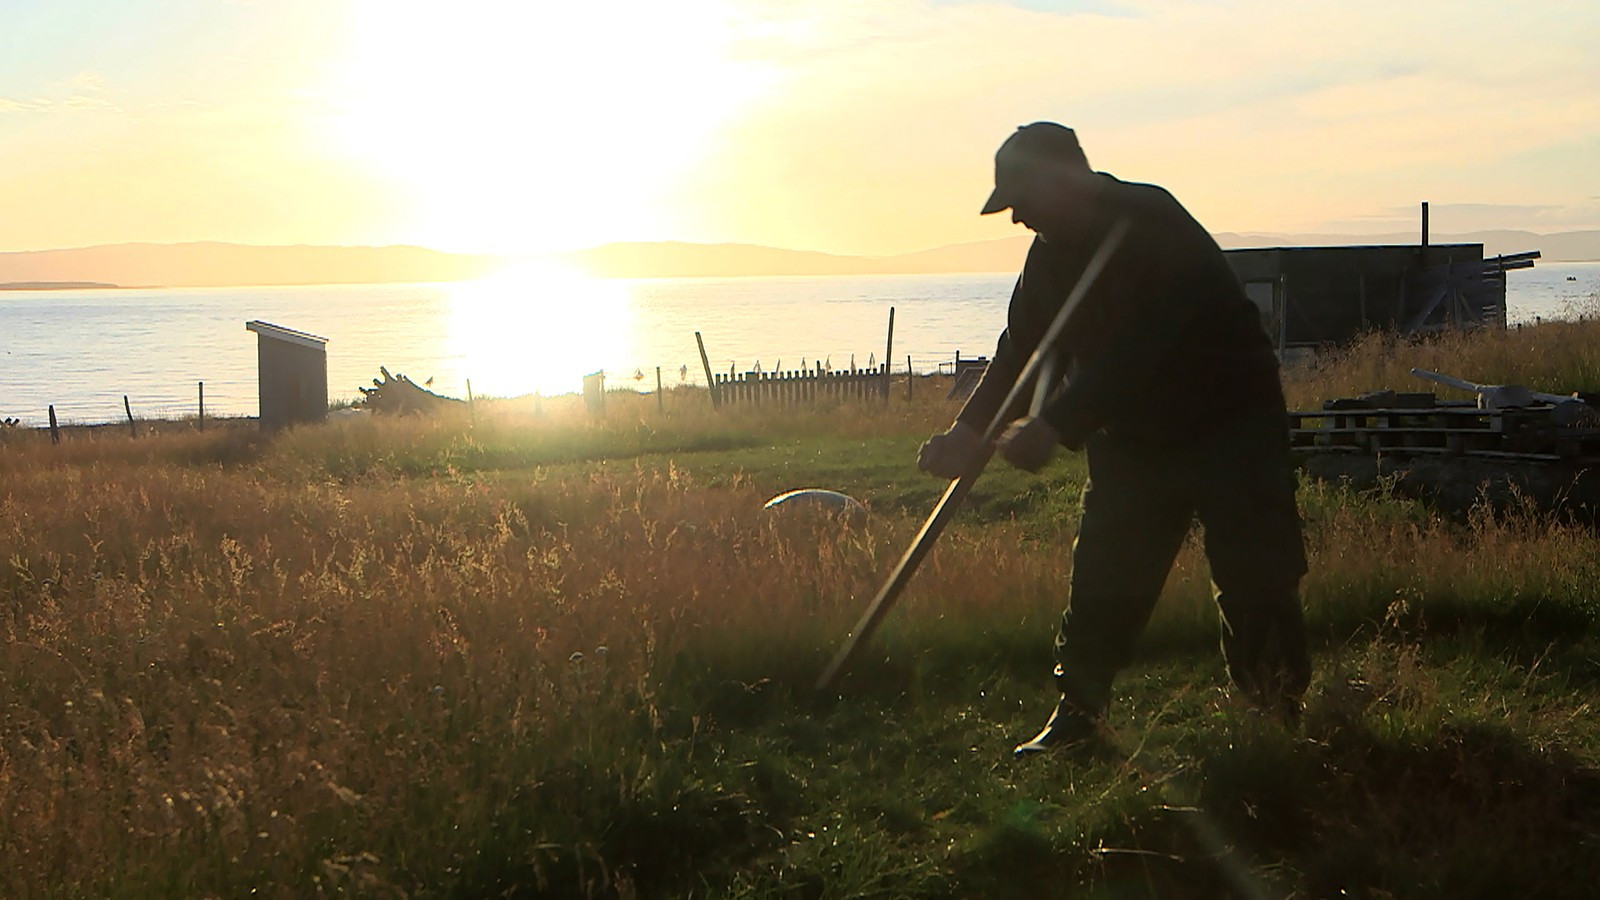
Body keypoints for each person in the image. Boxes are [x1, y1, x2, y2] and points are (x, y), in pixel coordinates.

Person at [918, 122, 1311, 757]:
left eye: (1021, 201)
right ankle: (1079, 719)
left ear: (1064, 179)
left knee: (1255, 572)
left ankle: (1277, 716)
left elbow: (1147, 349)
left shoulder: (1150, 221)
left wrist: (1056, 423)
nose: (1015, 219)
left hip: (1231, 422)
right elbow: (1021, 350)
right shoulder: (1048, 255)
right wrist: (969, 432)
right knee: (1104, 571)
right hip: (1134, 437)